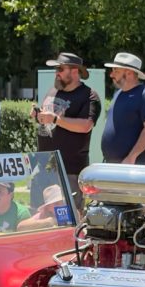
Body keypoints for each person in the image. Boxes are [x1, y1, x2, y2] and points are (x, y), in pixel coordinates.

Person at [35, 53, 101, 202]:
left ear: (75, 71)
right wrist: (37, 115)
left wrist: (55, 119)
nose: (56, 73)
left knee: (69, 217)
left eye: (60, 69)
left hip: (70, 170)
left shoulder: (89, 96)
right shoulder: (53, 91)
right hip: (44, 167)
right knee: (39, 216)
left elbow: (86, 125)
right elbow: (47, 119)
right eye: (56, 69)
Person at [100, 52, 145, 164]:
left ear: (129, 73)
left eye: (116, 71)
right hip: (112, 165)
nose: (111, 75)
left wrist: (132, 156)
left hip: (132, 166)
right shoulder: (118, 94)